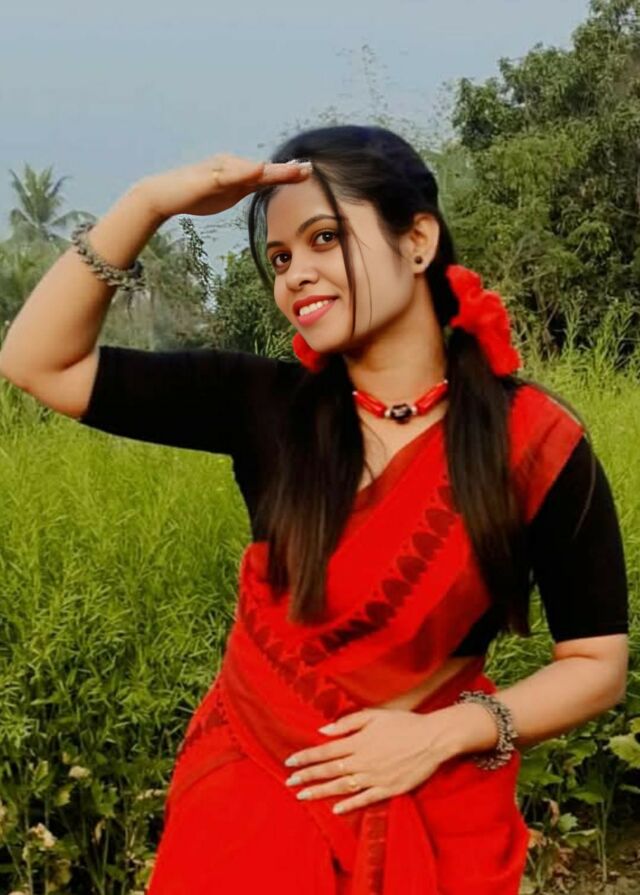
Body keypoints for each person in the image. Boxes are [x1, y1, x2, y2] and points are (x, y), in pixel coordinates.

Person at [0, 125, 629, 895]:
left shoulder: (535, 443)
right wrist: (150, 202)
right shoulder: (265, 407)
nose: (296, 273)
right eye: (279, 258)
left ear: (418, 240)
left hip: (434, 809)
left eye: (324, 237)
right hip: (249, 803)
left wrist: (444, 733)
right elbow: (36, 361)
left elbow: (596, 664)